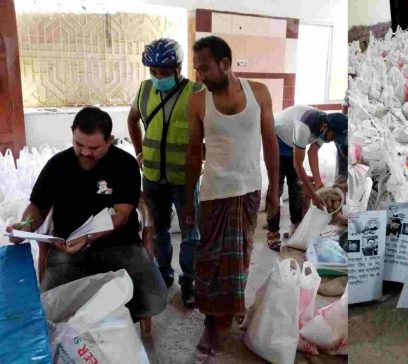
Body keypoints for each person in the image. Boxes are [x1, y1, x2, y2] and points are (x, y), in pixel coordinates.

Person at [6, 107, 167, 323]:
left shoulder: (124, 165)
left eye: (93, 148)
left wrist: (89, 237)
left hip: (119, 245)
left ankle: (112, 325)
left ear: (109, 140)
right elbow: (38, 207)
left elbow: (121, 214)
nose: (84, 153)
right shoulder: (57, 165)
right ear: (72, 133)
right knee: (51, 310)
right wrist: (26, 225)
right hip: (67, 248)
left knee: (154, 299)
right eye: (78, 144)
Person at [184, 35, 280, 356]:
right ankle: (211, 323)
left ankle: (233, 305)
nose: (200, 75)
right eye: (197, 69)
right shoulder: (198, 101)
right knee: (210, 261)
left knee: (241, 257)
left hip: (249, 190)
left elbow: (270, 144)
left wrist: (275, 192)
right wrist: (187, 198)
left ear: (225, 64)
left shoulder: (259, 94)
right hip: (214, 194)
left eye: (205, 68)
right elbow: (193, 153)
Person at [127, 38, 204, 307]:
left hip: (184, 180)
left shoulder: (196, 92)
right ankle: (163, 274)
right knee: (158, 230)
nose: (158, 77)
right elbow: (132, 119)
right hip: (152, 179)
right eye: (153, 72)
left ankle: (189, 281)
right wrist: (139, 151)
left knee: (190, 234)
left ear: (178, 67)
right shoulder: (145, 90)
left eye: (164, 72)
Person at [266, 104, 347, 250]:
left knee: (295, 187)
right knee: (276, 188)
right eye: (334, 137)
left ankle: (296, 226)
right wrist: (312, 193)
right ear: (325, 127)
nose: (333, 140)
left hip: (293, 144)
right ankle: (272, 233)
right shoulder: (305, 127)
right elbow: (298, 164)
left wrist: (318, 183)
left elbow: (312, 153)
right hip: (276, 139)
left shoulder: (325, 129)